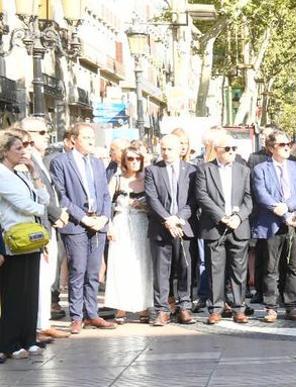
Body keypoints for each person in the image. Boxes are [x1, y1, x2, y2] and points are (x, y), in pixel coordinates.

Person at [50, 123, 115, 333]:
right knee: (78, 270)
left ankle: (92, 313)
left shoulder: (96, 163)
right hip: (76, 224)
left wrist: (104, 217)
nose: (90, 141)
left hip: (98, 224)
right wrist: (83, 218)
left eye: (92, 137)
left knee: (93, 272)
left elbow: (105, 194)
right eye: (86, 137)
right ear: (73, 139)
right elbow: (61, 196)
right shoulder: (60, 162)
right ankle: (76, 316)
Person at [0, 130, 60, 360]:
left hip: (31, 239)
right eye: (18, 148)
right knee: (14, 292)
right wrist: (39, 205)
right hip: (13, 238)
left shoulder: (21, 173)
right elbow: (26, 204)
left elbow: (43, 198)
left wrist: (34, 172)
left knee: (30, 291)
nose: (24, 151)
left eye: (25, 147)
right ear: (5, 151)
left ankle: (28, 337)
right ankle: (10, 341)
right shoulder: (2, 174)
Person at [251, 130, 296, 323]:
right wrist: (284, 213)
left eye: (289, 144)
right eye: (281, 144)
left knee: (294, 267)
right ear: (270, 148)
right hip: (273, 223)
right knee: (271, 267)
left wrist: (289, 208)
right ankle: (271, 307)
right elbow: (261, 195)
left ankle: (291, 305)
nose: (287, 147)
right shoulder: (260, 169)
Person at [195, 132, 253, 324]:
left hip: (238, 227)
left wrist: (238, 216)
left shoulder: (243, 170)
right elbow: (202, 196)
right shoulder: (205, 169)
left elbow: (248, 198)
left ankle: (239, 308)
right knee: (214, 270)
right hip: (215, 227)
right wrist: (221, 217)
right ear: (217, 151)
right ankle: (215, 308)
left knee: (239, 270)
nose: (231, 152)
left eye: (234, 148)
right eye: (227, 149)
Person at [143, 134, 198, 326]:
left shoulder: (191, 170)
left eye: (170, 149)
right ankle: (162, 309)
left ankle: (184, 306)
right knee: (161, 271)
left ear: (179, 149)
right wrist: (167, 219)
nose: (166, 152)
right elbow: (151, 198)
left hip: (184, 227)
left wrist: (179, 218)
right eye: (163, 149)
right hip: (161, 227)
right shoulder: (152, 171)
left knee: (185, 268)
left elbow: (194, 199)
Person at [104, 144, 154, 323]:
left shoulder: (149, 178)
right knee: (121, 265)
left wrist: (145, 206)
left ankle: (143, 306)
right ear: (124, 160)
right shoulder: (116, 180)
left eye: (137, 158)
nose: (134, 162)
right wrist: (109, 226)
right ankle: (121, 307)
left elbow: (156, 202)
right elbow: (105, 203)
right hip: (121, 223)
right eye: (130, 158)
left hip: (142, 224)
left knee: (142, 264)